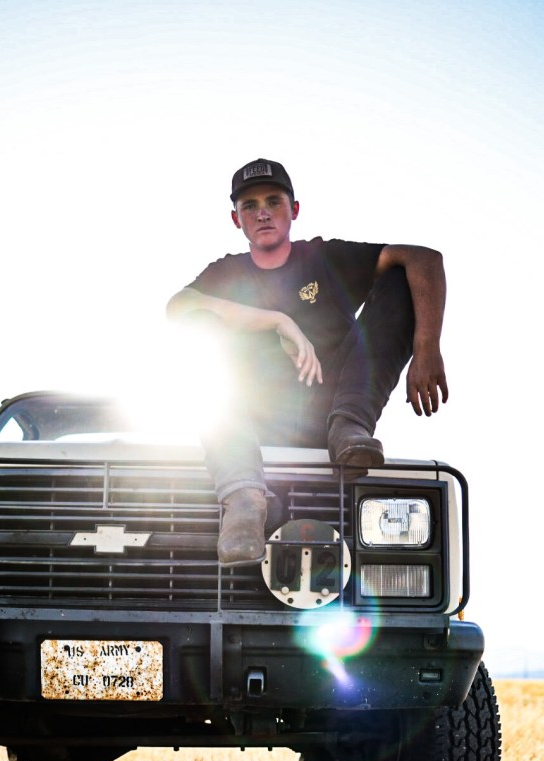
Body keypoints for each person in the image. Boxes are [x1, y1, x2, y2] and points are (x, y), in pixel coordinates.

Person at [166, 158, 448, 567]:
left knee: (401, 279)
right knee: (198, 324)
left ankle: (351, 426)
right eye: (249, 206)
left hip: (328, 410)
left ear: (294, 209)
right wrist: (279, 321)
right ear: (236, 219)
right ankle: (243, 496)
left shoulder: (323, 258)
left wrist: (427, 347)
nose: (262, 213)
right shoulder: (225, 273)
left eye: (273, 201)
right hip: (251, 419)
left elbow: (424, 258)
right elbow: (178, 308)